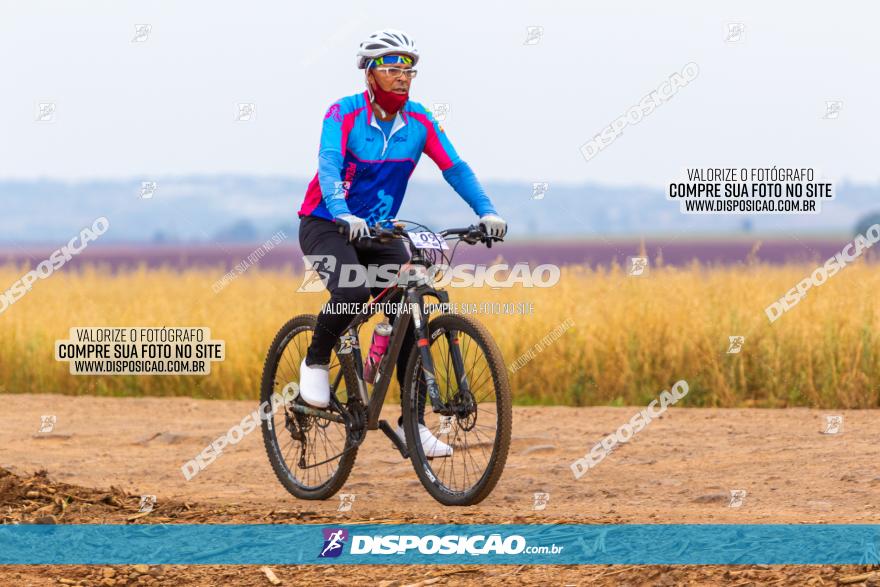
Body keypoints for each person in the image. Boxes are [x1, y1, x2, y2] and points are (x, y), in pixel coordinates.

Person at [295, 28, 507, 457]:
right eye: (391, 68)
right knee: (352, 289)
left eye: (408, 69)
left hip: (380, 230)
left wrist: (485, 212)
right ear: (369, 74)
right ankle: (316, 359)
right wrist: (342, 212)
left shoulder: (420, 121)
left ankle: (414, 423)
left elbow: (455, 167)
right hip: (325, 224)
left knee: (411, 311)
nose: (402, 77)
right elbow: (330, 165)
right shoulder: (343, 113)